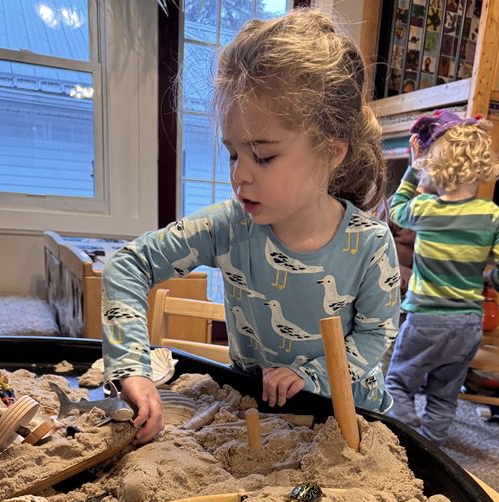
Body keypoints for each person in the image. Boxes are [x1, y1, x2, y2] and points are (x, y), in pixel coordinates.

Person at [102, 9, 400, 444]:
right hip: (258, 416)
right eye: (233, 153)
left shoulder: (370, 244)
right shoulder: (229, 226)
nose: (239, 174)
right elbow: (128, 265)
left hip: (350, 421)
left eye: (262, 156)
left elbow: (376, 335)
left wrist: (311, 376)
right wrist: (132, 367)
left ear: (331, 151)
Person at [385, 109, 499, 447]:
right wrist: (496, 281)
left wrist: (412, 167)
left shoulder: (425, 210)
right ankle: (431, 447)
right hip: (467, 325)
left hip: (425, 320)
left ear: (434, 166)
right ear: (482, 165)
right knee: (444, 393)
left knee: (398, 383)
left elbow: (396, 207)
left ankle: (407, 442)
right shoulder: (492, 216)